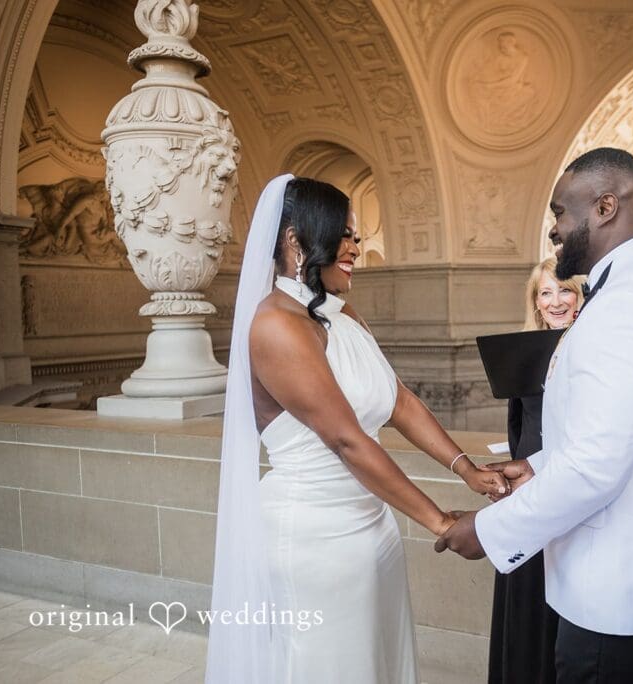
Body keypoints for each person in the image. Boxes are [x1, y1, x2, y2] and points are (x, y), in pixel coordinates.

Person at [435, 148, 633, 683]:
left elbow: (596, 466)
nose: (554, 229)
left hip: (624, 590)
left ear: (605, 207)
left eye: (560, 213)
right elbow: (619, 434)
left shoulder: (627, 305)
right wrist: (538, 466)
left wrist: (488, 530)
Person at [205, 175, 508, 684]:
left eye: (356, 236)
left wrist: (467, 470)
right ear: (296, 240)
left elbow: (400, 401)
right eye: (342, 234)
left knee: (377, 661)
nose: (355, 247)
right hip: (315, 534)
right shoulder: (276, 324)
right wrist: (438, 522)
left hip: (371, 527)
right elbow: (346, 440)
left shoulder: (343, 315)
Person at [490, 257, 583, 684]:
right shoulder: (524, 353)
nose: (556, 301)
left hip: (572, 494)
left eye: (565, 290)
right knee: (525, 600)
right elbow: (517, 426)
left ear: (580, 297)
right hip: (526, 496)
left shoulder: (593, 349)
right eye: (546, 292)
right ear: (536, 302)